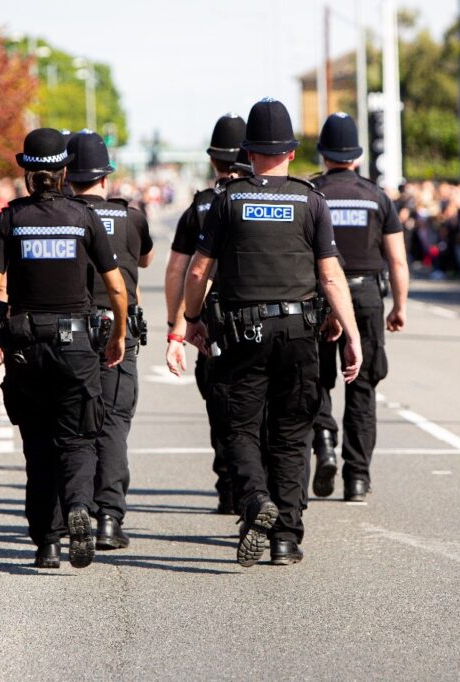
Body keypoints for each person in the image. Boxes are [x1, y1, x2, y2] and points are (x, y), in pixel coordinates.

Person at [183, 98, 362, 567]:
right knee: (290, 434)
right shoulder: (311, 200)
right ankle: (285, 538)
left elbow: (200, 269)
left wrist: (192, 318)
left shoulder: (227, 200)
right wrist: (351, 334)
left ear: (249, 150)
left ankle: (256, 500)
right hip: (299, 334)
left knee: (239, 428)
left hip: (242, 335)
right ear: (290, 150)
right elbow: (330, 276)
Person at [0, 128, 128, 569]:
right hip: (75, 346)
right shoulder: (82, 216)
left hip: (25, 348)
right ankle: (78, 507)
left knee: (37, 448)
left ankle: (47, 545)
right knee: (77, 440)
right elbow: (116, 287)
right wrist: (118, 335)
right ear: (63, 171)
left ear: (27, 173)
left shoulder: (11, 218)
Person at [309, 112, 409, 503]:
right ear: (357, 154)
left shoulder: (311, 193)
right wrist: (398, 305)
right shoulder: (376, 196)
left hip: (319, 297)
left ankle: (324, 441)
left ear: (323, 153)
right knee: (362, 386)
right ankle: (357, 478)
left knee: (316, 380)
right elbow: (397, 261)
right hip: (366, 296)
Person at [66, 131, 153, 550]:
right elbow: (146, 258)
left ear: (67, 175)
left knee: (74, 426)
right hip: (118, 329)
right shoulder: (132, 217)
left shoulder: (62, 216)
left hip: (72, 333)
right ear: (105, 176)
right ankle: (109, 520)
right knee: (114, 424)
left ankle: (75, 508)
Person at [165, 113, 245, 514]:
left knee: (219, 406)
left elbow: (180, 270)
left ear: (213, 159)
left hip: (212, 324)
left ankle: (228, 486)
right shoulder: (270, 199)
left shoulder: (200, 207)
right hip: (260, 321)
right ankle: (259, 488)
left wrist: (176, 325)